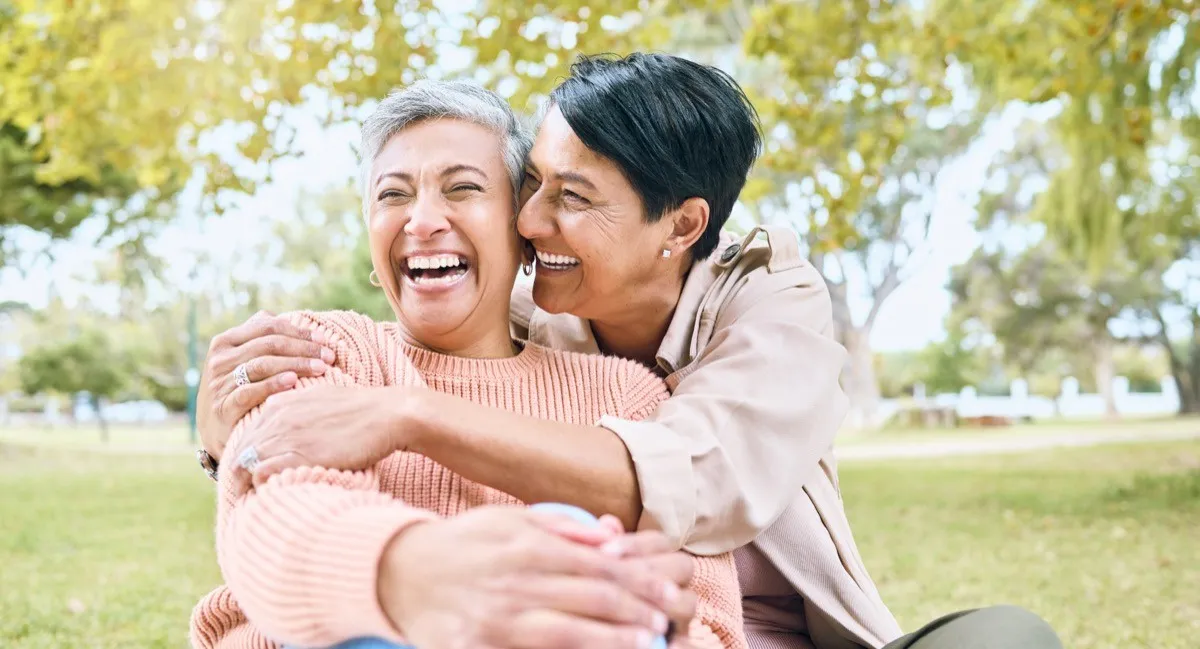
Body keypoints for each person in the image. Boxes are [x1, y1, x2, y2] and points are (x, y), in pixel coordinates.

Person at [196, 54, 1061, 649]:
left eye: (567, 198)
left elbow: (689, 494)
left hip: (760, 632)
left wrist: (407, 416)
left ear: (681, 225)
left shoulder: (768, 311)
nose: (535, 223)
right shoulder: (420, 328)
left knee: (1005, 637)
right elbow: (290, 479)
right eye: (533, 186)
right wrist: (229, 433)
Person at [189, 80, 747, 649]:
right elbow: (277, 517)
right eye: (393, 195)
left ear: (522, 225)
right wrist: (416, 577)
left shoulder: (625, 395)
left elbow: (712, 620)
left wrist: (661, 627)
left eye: (462, 188)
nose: (423, 220)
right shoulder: (325, 348)